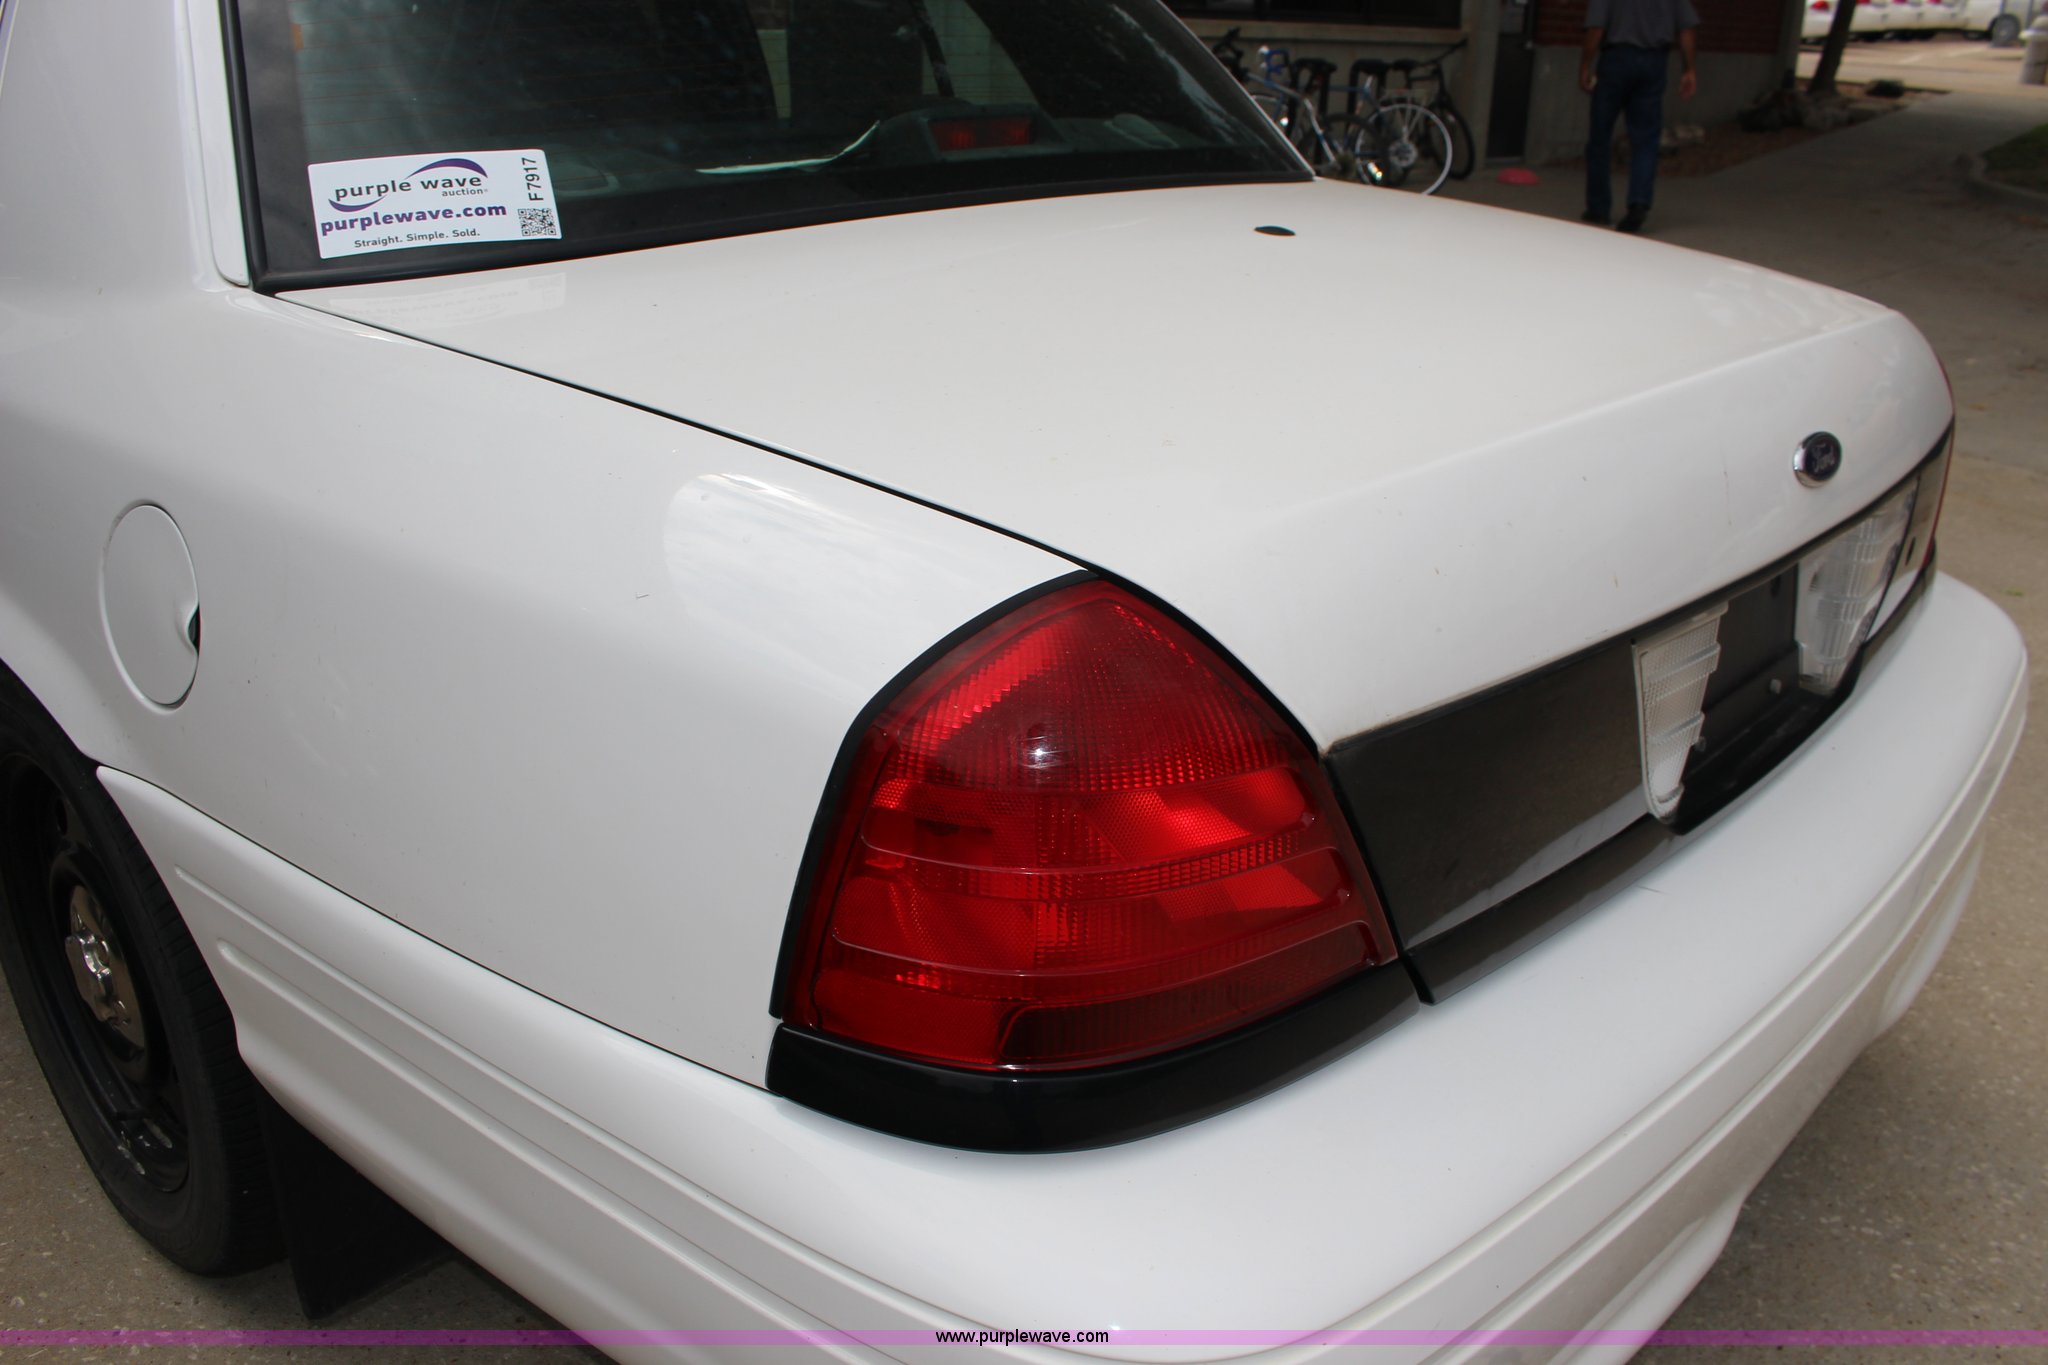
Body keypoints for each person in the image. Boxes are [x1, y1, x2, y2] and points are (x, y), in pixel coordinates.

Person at [1580, 0, 1699, 234]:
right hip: (1654, 61)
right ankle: (1639, 203)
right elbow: (1686, 28)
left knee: (1600, 136)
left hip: (1616, 59)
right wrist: (1689, 69)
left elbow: (1596, 28)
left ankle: (1598, 207)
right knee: (1645, 139)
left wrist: (1585, 65)